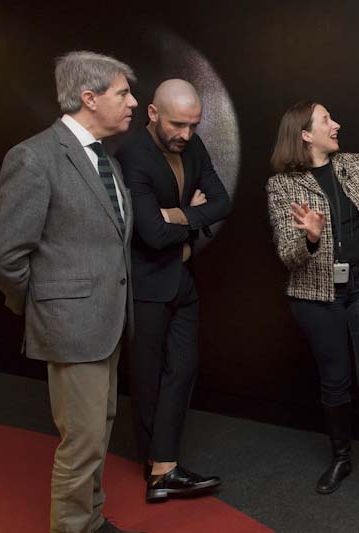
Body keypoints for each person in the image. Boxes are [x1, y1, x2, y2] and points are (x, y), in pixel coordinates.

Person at [0, 51, 142, 533]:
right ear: (89, 98)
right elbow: (6, 255)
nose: (133, 102)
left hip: (108, 321)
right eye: (123, 93)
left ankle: (90, 520)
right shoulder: (34, 157)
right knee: (82, 443)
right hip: (73, 327)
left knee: (97, 432)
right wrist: (44, 306)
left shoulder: (104, 160)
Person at [266, 101, 359, 520]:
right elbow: (288, 255)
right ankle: (341, 459)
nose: (336, 125)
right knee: (334, 383)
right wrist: (310, 238)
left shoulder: (353, 164)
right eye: (326, 120)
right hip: (317, 298)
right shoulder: (282, 186)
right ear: (305, 134)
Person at [115, 79, 229, 502]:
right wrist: (191, 213)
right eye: (178, 124)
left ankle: (163, 463)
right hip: (146, 284)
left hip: (182, 277)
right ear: (153, 113)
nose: (186, 133)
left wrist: (176, 214)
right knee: (147, 377)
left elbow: (221, 202)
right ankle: (157, 465)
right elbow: (151, 233)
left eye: (193, 125)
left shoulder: (193, 147)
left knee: (182, 369)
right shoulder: (133, 155)